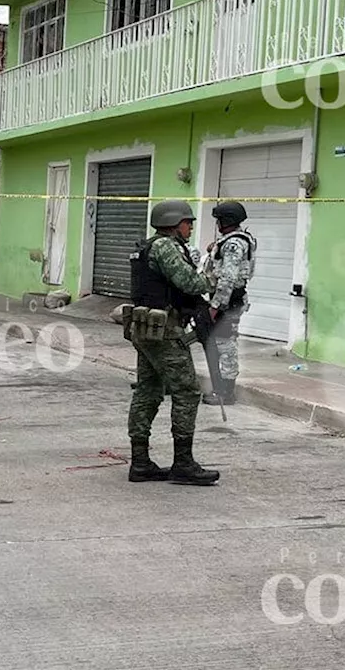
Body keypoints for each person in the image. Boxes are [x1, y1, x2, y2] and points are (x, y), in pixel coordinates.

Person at [124, 199, 221, 486]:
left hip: (146, 328)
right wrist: (211, 276)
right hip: (164, 331)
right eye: (187, 222)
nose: (191, 227)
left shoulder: (149, 246)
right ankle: (183, 463)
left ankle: (140, 462)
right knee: (188, 391)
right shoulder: (165, 247)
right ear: (174, 223)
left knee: (148, 391)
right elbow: (190, 283)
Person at [200, 201, 257, 406]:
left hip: (228, 300)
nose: (217, 224)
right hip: (231, 299)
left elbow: (228, 278)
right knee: (223, 342)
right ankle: (222, 389)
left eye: (219, 220)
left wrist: (216, 306)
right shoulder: (235, 240)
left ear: (227, 220)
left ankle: (225, 392)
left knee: (225, 344)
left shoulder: (233, 244)